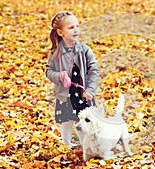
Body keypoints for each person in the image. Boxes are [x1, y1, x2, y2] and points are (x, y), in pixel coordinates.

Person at [46, 11, 99, 149]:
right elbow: (49, 71)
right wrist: (59, 76)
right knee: (66, 119)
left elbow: (93, 71)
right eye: (71, 27)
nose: (76, 30)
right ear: (60, 32)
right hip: (65, 94)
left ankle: (84, 145)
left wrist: (90, 90)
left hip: (82, 93)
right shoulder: (55, 53)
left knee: (82, 118)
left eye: (77, 26)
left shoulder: (85, 50)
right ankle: (67, 144)